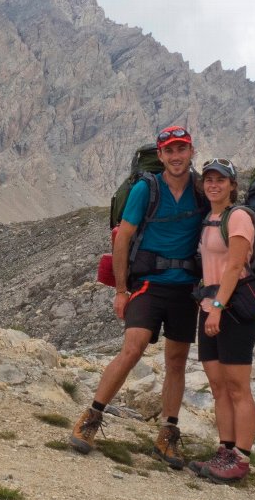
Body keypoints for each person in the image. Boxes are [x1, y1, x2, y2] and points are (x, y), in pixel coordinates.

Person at [70, 126, 207, 468]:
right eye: (169, 151)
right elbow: (123, 239)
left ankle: (168, 435)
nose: (176, 157)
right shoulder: (147, 189)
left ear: (191, 152)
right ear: (160, 156)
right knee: (133, 349)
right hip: (148, 284)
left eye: (182, 150)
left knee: (176, 361)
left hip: (186, 288)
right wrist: (121, 290)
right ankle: (91, 417)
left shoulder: (203, 189)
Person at [187, 158, 255, 483]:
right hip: (208, 309)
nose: (214, 184)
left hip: (233, 312)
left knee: (237, 387)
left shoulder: (239, 217)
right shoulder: (209, 219)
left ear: (233, 185)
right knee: (218, 386)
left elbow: (234, 267)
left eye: (221, 180)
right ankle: (225, 451)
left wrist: (217, 307)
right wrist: (208, 307)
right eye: (209, 179)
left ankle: (242, 459)